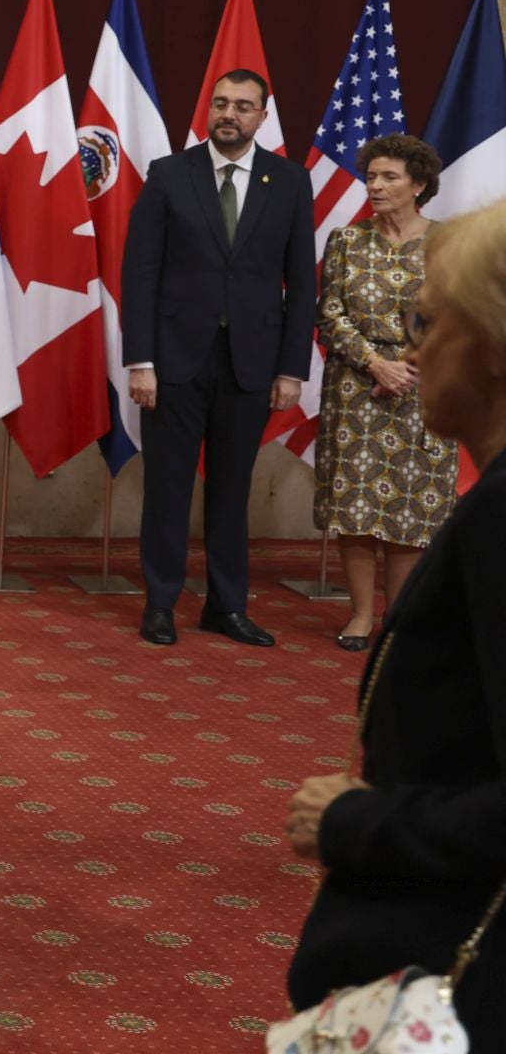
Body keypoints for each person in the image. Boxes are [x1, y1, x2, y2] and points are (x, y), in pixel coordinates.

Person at [284, 202, 506, 1042]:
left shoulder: (500, 520)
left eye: (428, 320)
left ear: (490, 343)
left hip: (458, 991)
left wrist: (352, 823)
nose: (413, 348)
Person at [121, 69, 317, 648]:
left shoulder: (289, 181)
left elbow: (301, 283)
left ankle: (226, 607)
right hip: (174, 361)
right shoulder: (167, 175)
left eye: (243, 106)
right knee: (168, 487)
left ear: (262, 116)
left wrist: (291, 368)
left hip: (252, 364)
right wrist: (141, 360)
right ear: (209, 109)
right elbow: (141, 274)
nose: (229, 114)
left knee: (232, 490)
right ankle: (160, 603)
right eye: (221, 103)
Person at [313, 133, 457, 650]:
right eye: (371, 175)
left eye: (389, 176)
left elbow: (462, 319)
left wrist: (409, 365)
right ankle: (359, 615)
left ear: (418, 184)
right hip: (355, 388)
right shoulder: (346, 241)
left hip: (423, 389)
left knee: (408, 510)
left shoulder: (447, 243)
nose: (375, 185)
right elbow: (329, 314)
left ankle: (397, 619)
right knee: (355, 505)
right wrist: (376, 363)